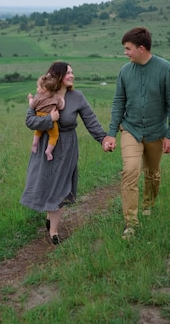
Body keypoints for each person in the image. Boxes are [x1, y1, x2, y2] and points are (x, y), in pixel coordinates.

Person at [102, 26, 170, 239]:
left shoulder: (165, 69)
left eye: (128, 48)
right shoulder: (125, 71)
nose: (125, 53)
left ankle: (148, 204)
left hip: (157, 131)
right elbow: (118, 102)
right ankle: (131, 223)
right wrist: (111, 133)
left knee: (152, 173)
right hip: (131, 129)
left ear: (141, 48)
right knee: (129, 172)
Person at [21, 61, 111, 245]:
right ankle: (50, 217)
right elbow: (29, 121)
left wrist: (102, 139)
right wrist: (49, 119)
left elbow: (90, 120)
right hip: (45, 147)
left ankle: (53, 231)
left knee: (61, 186)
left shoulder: (77, 97)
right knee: (47, 183)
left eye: (72, 72)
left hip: (67, 148)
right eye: (68, 73)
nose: (72, 75)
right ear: (58, 76)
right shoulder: (44, 95)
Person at [27, 74, 66, 161]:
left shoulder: (38, 97)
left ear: (44, 88)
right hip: (51, 119)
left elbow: (32, 106)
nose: (37, 89)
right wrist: (62, 99)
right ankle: (48, 151)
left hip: (39, 116)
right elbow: (62, 106)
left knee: (38, 132)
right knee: (54, 136)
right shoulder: (56, 97)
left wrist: (30, 98)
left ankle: (34, 144)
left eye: (38, 87)